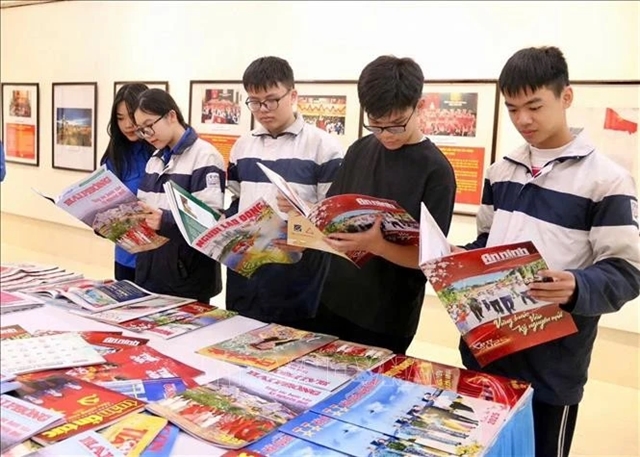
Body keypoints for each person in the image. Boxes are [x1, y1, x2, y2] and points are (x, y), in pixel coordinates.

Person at [456, 46, 640, 457]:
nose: (523, 119)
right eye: (512, 108)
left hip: (552, 365)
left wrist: (577, 286)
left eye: (534, 106)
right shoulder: (501, 172)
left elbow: (627, 270)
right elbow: (486, 244)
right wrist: (457, 260)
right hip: (488, 350)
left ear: (566, 97)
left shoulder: (607, 181)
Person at [311, 55, 457, 354]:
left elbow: (431, 259)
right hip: (333, 298)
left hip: (386, 316)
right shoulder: (360, 149)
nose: (386, 135)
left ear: (420, 106)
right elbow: (332, 211)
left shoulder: (436, 171)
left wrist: (378, 246)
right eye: (376, 125)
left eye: (396, 125)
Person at [225, 56, 344, 328]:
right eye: (255, 102)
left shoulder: (324, 148)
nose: (263, 109)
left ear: (293, 96)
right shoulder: (242, 147)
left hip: (297, 280)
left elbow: (334, 222)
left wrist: (305, 233)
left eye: (271, 100)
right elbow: (235, 200)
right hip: (245, 275)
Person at [133, 89, 225, 303]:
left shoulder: (205, 156)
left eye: (149, 125)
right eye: (141, 130)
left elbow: (210, 223)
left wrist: (164, 221)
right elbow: (144, 209)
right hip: (151, 273)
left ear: (171, 116)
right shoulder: (155, 159)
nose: (147, 134)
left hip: (187, 278)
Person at [99, 83, 155, 281]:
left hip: (159, 260)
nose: (127, 125)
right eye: (120, 118)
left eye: (131, 116)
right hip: (126, 258)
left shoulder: (161, 152)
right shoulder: (115, 157)